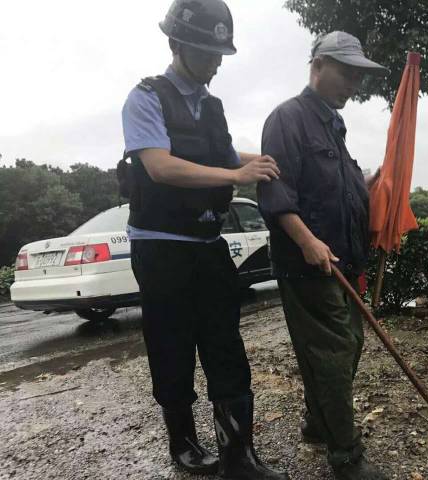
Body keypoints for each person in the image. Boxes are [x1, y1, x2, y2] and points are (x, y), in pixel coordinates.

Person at [121, 1, 288, 478]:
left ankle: (239, 455)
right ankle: (184, 444)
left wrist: (270, 160)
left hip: (208, 242)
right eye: (207, 52)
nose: (216, 62)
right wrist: (237, 176)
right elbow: (160, 166)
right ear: (177, 44)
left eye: (220, 54)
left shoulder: (212, 106)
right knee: (171, 346)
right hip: (161, 246)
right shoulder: (146, 97)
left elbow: (229, 157)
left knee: (225, 345)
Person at [258, 31, 388, 480]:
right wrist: (307, 241)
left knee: (349, 345)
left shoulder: (334, 124)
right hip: (308, 265)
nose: (354, 84)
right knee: (333, 353)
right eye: (346, 73)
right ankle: (346, 456)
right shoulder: (287, 119)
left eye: (358, 76)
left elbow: (336, 189)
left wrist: (371, 185)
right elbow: (276, 194)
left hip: (344, 262)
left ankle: (318, 421)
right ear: (317, 67)